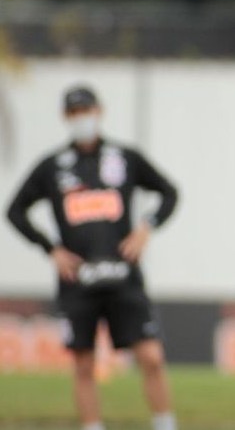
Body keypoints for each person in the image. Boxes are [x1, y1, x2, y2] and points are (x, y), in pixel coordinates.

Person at [6, 85, 180, 430]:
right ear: (65, 118)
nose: (81, 118)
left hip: (123, 277)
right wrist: (50, 248)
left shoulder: (124, 157)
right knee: (83, 364)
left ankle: (165, 424)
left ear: (99, 111)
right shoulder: (54, 166)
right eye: (73, 113)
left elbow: (169, 192)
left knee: (151, 357)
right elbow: (15, 211)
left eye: (85, 110)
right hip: (77, 281)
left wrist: (146, 227)